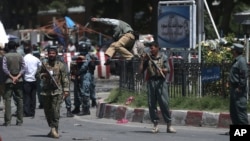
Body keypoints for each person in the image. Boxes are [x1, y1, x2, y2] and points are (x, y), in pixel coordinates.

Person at [139, 41, 176, 133]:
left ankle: (169, 125)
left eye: (152, 48)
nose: (151, 50)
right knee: (152, 104)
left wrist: (162, 70)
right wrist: (142, 60)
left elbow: (168, 69)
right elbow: (140, 70)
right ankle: (155, 125)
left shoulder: (164, 57)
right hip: (151, 82)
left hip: (161, 82)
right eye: (150, 48)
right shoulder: (148, 59)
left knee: (164, 103)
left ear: (157, 48)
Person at [39, 46, 70, 138]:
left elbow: (65, 78)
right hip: (46, 91)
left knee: (55, 111)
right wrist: (44, 75)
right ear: (47, 55)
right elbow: (37, 74)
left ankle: (54, 128)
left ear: (56, 54)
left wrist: (66, 90)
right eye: (50, 53)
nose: (51, 55)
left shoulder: (61, 65)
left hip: (57, 91)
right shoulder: (44, 64)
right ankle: (52, 128)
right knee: (47, 112)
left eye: (53, 53)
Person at [226, 43, 249, 135]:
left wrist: (240, 87)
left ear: (235, 51)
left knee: (240, 109)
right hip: (234, 88)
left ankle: (244, 130)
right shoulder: (236, 61)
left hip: (239, 89)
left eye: (233, 50)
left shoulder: (241, 61)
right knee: (234, 110)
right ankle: (236, 131)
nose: (232, 52)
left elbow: (243, 76)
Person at [2, 41, 25, 126]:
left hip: (8, 80)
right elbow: (24, 68)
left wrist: (11, 77)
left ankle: (7, 121)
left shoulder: (5, 56)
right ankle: (19, 120)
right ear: (15, 47)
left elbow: (4, 68)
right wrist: (17, 76)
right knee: (20, 99)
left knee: (7, 100)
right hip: (19, 80)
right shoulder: (20, 56)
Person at [23, 45, 41, 118]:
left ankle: (27, 112)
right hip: (34, 79)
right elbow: (40, 66)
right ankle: (32, 111)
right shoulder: (36, 59)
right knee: (33, 96)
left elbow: (22, 69)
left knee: (27, 96)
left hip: (26, 79)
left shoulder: (23, 59)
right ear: (31, 51)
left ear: (24, 51)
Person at [0, 44, 6, 111]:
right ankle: (5, 109)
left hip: (3, 80)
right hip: (3, 80)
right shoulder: (4, 59)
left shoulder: (4, 59)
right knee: (4, 96)